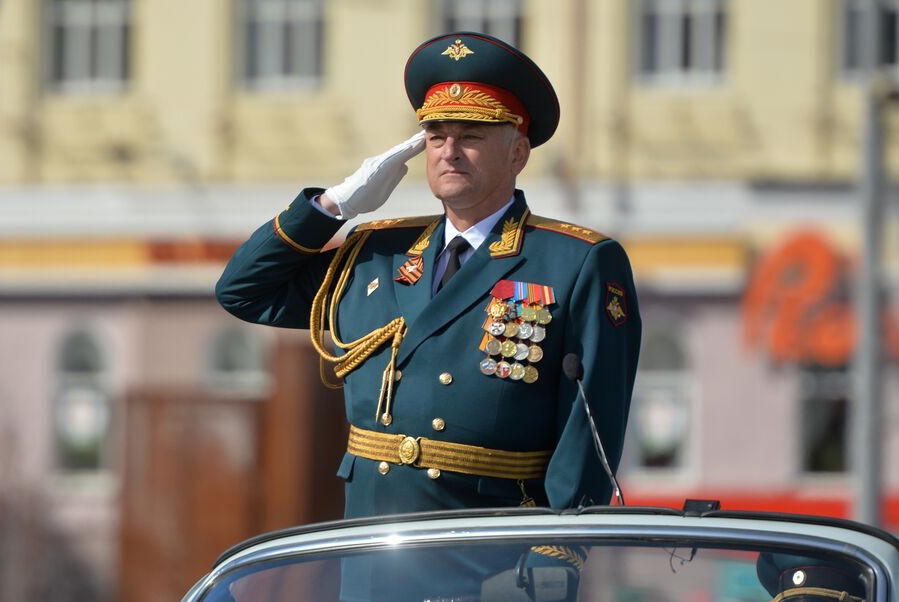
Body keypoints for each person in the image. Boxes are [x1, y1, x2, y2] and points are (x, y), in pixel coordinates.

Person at [216, 31, 641, 517]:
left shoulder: (575, 262)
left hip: (494, 549)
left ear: (518, 154)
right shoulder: (376, 254)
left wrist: (557, 549)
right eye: (436, 136)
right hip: (376, 547)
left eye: (471, 136)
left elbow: (591, 424)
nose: (449, 152)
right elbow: (242, 291)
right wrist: (333, 205)